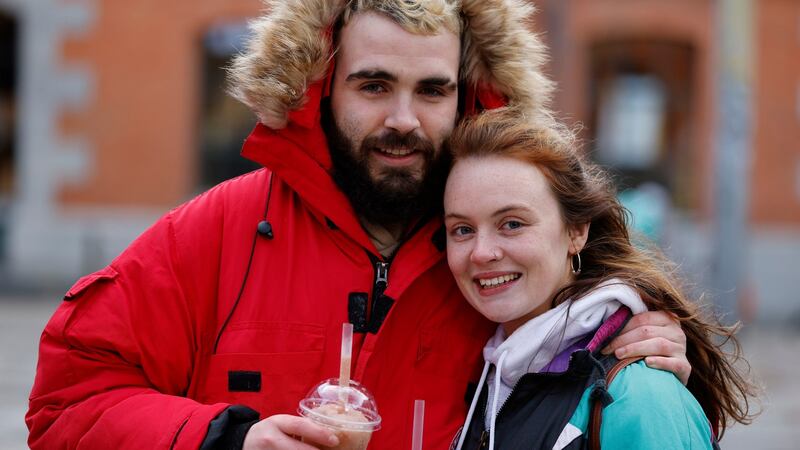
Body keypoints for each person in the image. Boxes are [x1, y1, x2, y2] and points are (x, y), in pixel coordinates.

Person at [27, 1, 691, 449]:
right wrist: (226, 438)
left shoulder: (493, 262)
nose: (403, 119)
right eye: (374, 86)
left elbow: (589, 343)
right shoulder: (217, 232)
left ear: (467, 97)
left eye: (431, 90)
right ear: (321, 88)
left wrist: (637, 349)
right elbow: (65, 405)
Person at [443, 108, 756, 449]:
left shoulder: (640, 396)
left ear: (576, 231)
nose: (481, 253)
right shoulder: (485, 370)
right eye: (462, 229)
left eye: (512, 224)